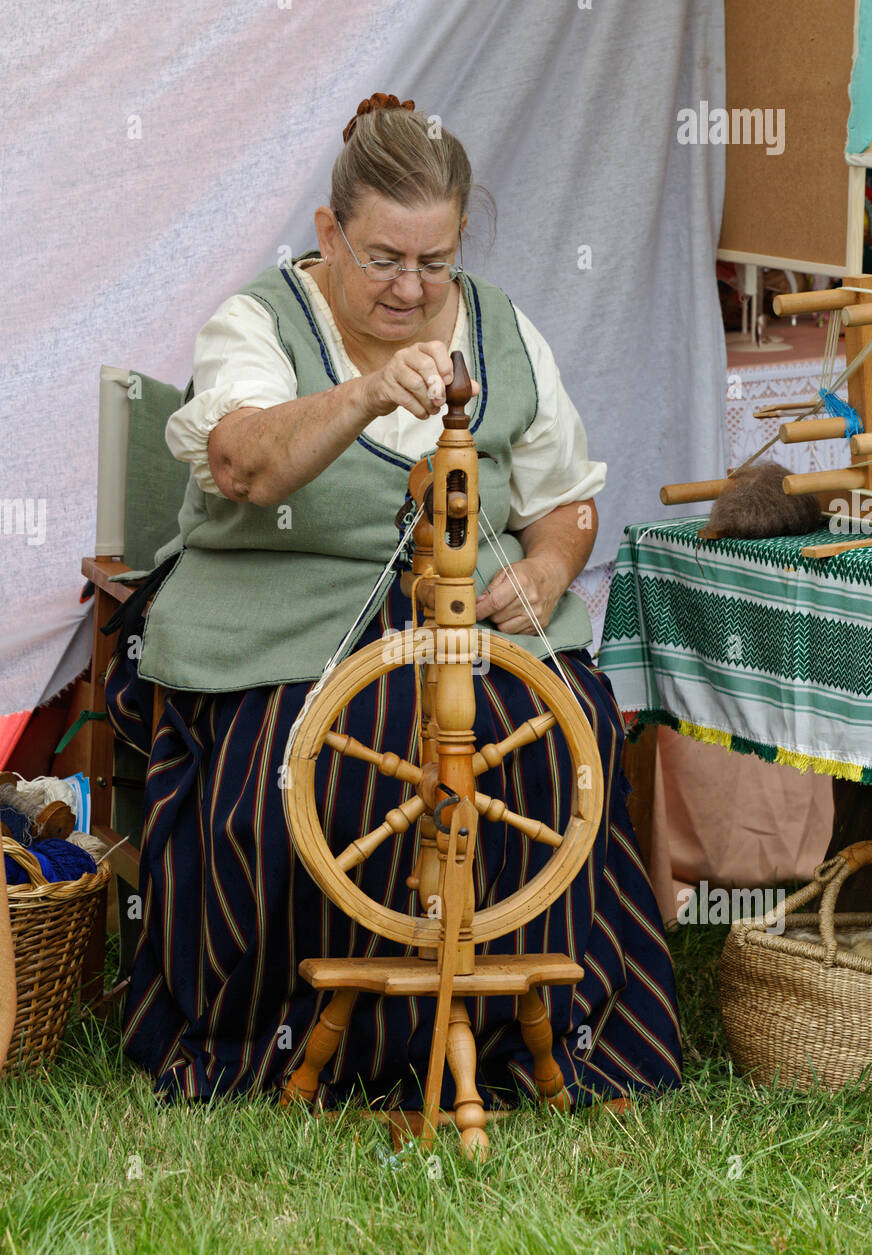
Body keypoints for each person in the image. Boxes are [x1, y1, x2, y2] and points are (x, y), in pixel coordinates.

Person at [105, 93, 681, 1109]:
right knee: (299, 756)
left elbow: (568, 505)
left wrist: (543, 570)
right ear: (329, 233)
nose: (411, 288)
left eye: (434, 260)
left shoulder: (500, 329)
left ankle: (528, 1024)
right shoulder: (260, 321)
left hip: (472, 626)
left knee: (562, 730)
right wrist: (367, 393)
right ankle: (280, 1033)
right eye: (382, 259)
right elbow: (243, 465)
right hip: (278, 625)